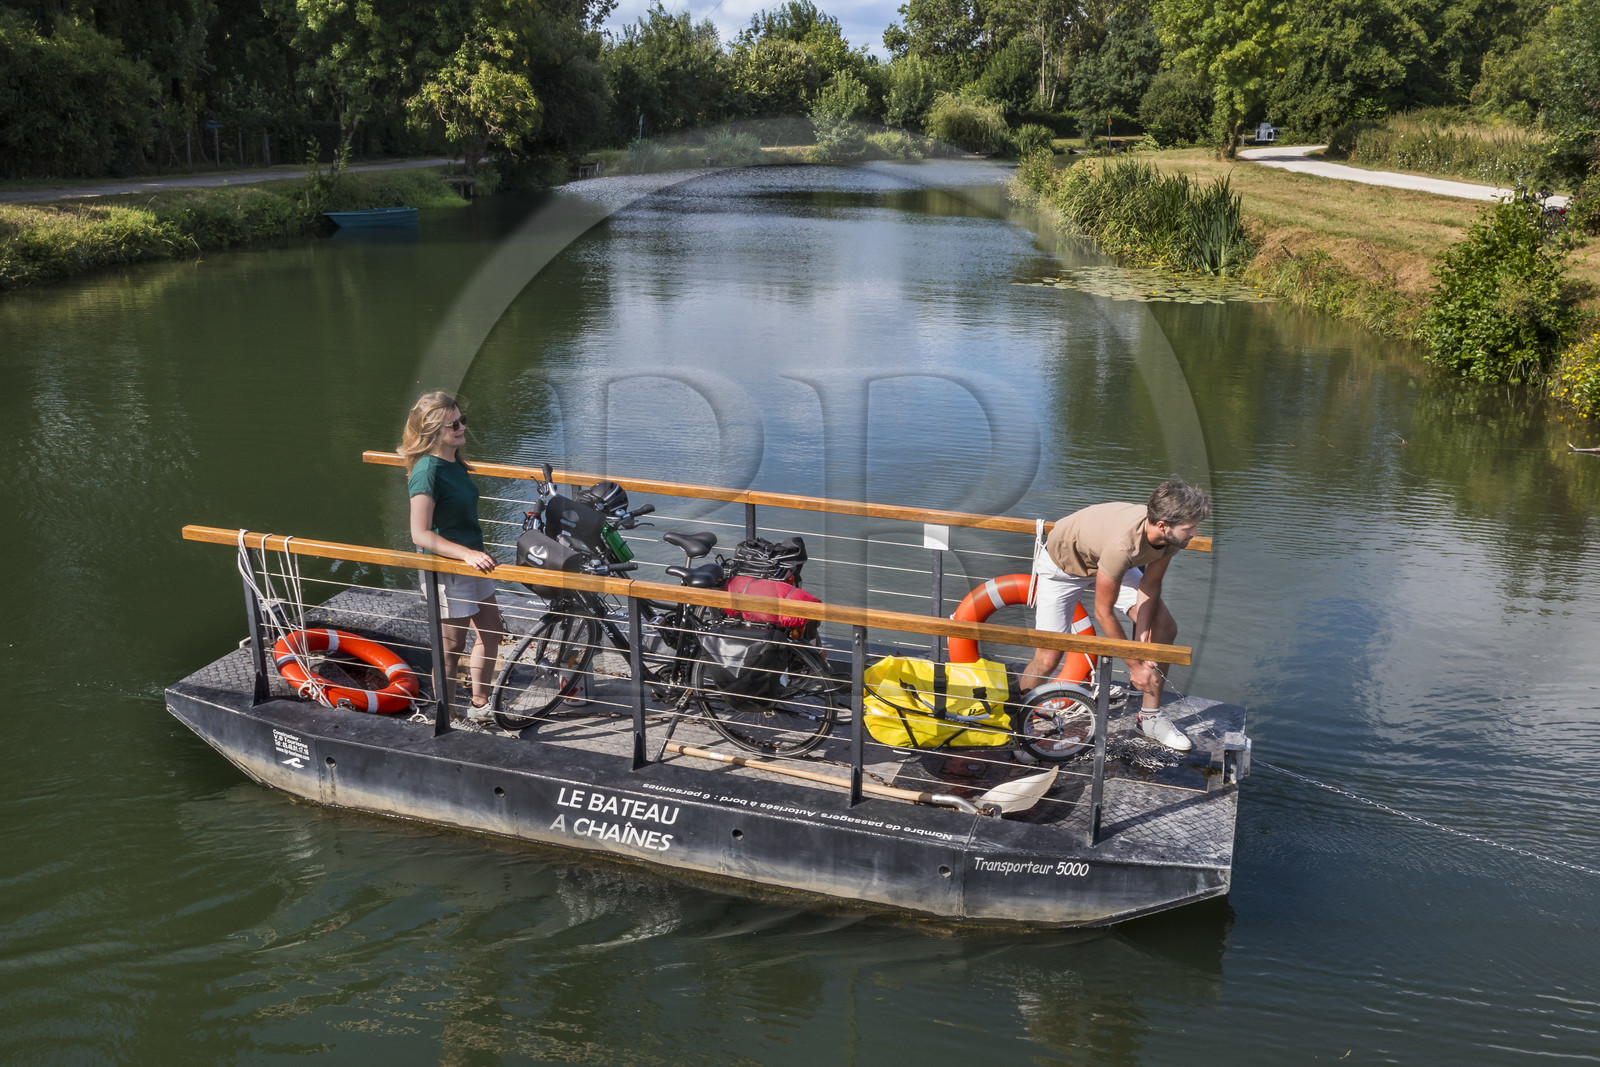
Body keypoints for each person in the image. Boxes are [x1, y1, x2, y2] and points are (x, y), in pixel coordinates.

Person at [1018, 480, 1211, 752]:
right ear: (1163, 525)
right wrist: (1134, 665)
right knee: (1048, 656)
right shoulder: (1123, 546)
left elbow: (1150, 584)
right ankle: (1015, 719)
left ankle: (1150, 717)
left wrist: (1143, 638)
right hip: (1062, 566)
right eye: (1189, 527)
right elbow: (1102, 611)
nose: (1195, 532)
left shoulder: (1171, 538)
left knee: (1164, 626)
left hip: (1105, 562)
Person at [400, 391, 505, 718]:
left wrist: (477, 552)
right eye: (452, 425)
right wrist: (465, 555)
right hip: (450, 568)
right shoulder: (426, 471)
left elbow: (461, 519)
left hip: (474, 560)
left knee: (491, 633)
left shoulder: (453, 461)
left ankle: (479, 704)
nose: (461, 428)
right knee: (451, 649)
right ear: (433, 433)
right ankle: (448, 717)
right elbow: (420, 533)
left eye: (462, 421)